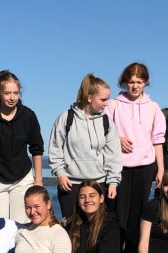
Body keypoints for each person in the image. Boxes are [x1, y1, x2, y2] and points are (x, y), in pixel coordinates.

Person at [0, 70, 44, 224]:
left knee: (22, 225)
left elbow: (36, 148)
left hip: (22, 178)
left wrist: (38, 179)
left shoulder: (28, 116)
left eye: (16, 93)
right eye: (7, 93)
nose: (12, 98)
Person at [108, 62, 166, 252]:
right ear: (124, 82)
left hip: (145, 166)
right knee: (118, 212)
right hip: (119, 167)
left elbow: (157, 140)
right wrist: (117, 139)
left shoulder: (153, 107)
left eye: (139, 82)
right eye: (131, 82)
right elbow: (103, 132)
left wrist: (160, 169)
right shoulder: (113, 105)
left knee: (138, 212)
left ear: (145, 83)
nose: (135, 86)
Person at [48, 73, 122, 220]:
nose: (106, 103)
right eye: (103, 99)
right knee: (71, 228)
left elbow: (113, 155)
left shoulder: (106, 122)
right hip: (69, 184)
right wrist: (60, 173)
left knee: (97, 229)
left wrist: (113, 183)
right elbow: (55, 148)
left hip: (98, 183)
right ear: (89, 98)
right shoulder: (66, 118)